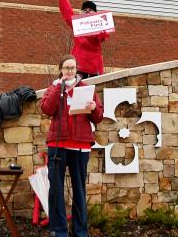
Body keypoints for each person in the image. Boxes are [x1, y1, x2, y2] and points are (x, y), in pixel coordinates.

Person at [40, 54, 103, 237]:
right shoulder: (54, 87)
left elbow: (98, 117)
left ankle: (80, 231)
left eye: (73, 68)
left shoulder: (86, 88)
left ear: (77, 70)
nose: (70, 71)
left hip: (80, 145)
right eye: (67, 68)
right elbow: (46, 109)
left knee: (79, 189)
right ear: (61, 70)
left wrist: (93, 108)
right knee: (57, 189)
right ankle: (59, 231)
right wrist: (58, 87)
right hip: (58, 144)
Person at [54, 0, 109, 79]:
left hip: (94, 69)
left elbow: (103, 36)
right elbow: (67, 11)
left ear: (96, 14)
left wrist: (91, 27)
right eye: (85, 10)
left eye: (90, 10)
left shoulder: (101, 25)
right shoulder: (77, 24)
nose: (87, 11)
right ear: (81, 12)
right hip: (78, 68)